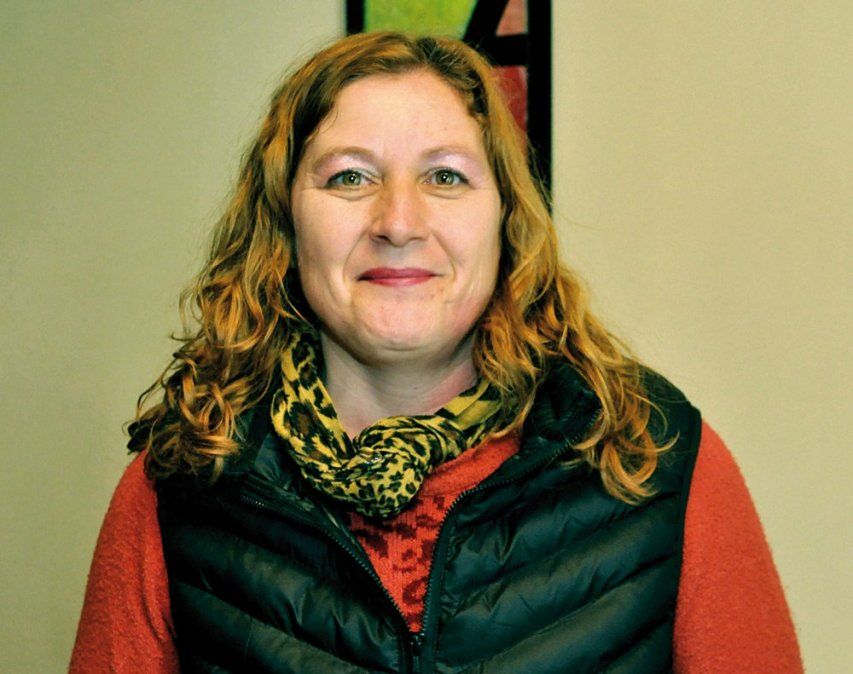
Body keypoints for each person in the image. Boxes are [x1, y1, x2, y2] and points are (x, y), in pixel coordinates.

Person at [70, 32, 802, 673]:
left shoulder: (654, 453)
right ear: (285, 223)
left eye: (445, 175)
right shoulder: (183, 477)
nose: (399, 221)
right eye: (349, 176)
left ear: (506, 219)